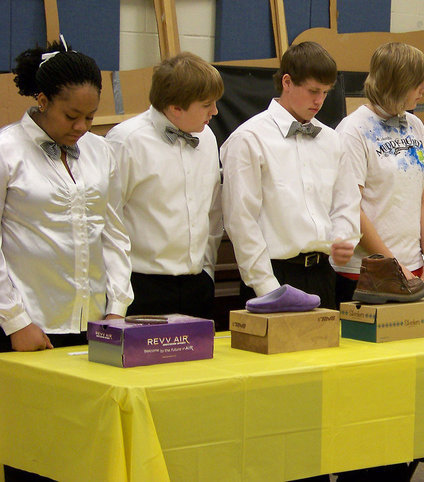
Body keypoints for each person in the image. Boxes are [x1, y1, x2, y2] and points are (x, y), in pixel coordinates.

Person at [0, 38, 133, 479]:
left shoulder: (100, 152)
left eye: (90, 117)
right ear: (41, 100)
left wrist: (116, 309)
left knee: (84, 453)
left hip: (95, 328)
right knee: (32, 452)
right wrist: (16, 320)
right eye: (71, 116)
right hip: (30, 328)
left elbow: (113, 233)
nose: (82, 126)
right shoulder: (6, 151)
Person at [221, 41, 360, 311]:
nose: (319, 101)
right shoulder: (249, 139)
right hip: (273, 276)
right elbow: (241, 221)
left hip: (322, 275)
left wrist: (344, 237)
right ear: (287, 82)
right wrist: (268, 289)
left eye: (325, 92)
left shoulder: (332, 140)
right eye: (313, 91)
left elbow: (347, 202)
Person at [106, 52, 224, 321]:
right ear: (175, 108)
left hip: (196, 285)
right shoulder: (126, 142)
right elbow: (108, 223)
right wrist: (116, 302)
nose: (215, 112)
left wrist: (207, 270)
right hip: (142, 287)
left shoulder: (206, 137)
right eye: (207, 104)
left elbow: (212, 211)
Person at [333, 42, 424, 307]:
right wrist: (392, 264)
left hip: (411, 269)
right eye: (419, 83)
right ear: (399, 84)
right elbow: (351, 209)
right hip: (367, 274)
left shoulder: (415, 125)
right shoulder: (353, 130)